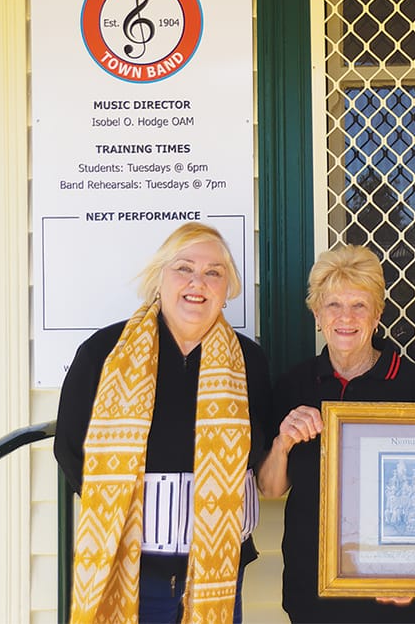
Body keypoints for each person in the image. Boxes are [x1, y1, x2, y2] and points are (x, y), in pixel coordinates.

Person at [54, 222, 271, 624]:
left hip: (220, 571)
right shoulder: (105, 352)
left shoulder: (249, 362)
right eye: (184, 268)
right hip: (134, 572)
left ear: (228, 290)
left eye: (213, 272)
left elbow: (259, 452)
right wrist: (121, 513)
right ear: (159, 279)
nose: (198, 282)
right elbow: (69, 446)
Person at [257, 244, 415, 624]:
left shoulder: (411, 383)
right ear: (316, 314)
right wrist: (282, 443)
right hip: (315, 585)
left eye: (359, 305)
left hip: (398, 587)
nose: (346, 317)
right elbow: (271, 488)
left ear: (377, 314)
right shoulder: (294, 384)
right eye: (333, 305)